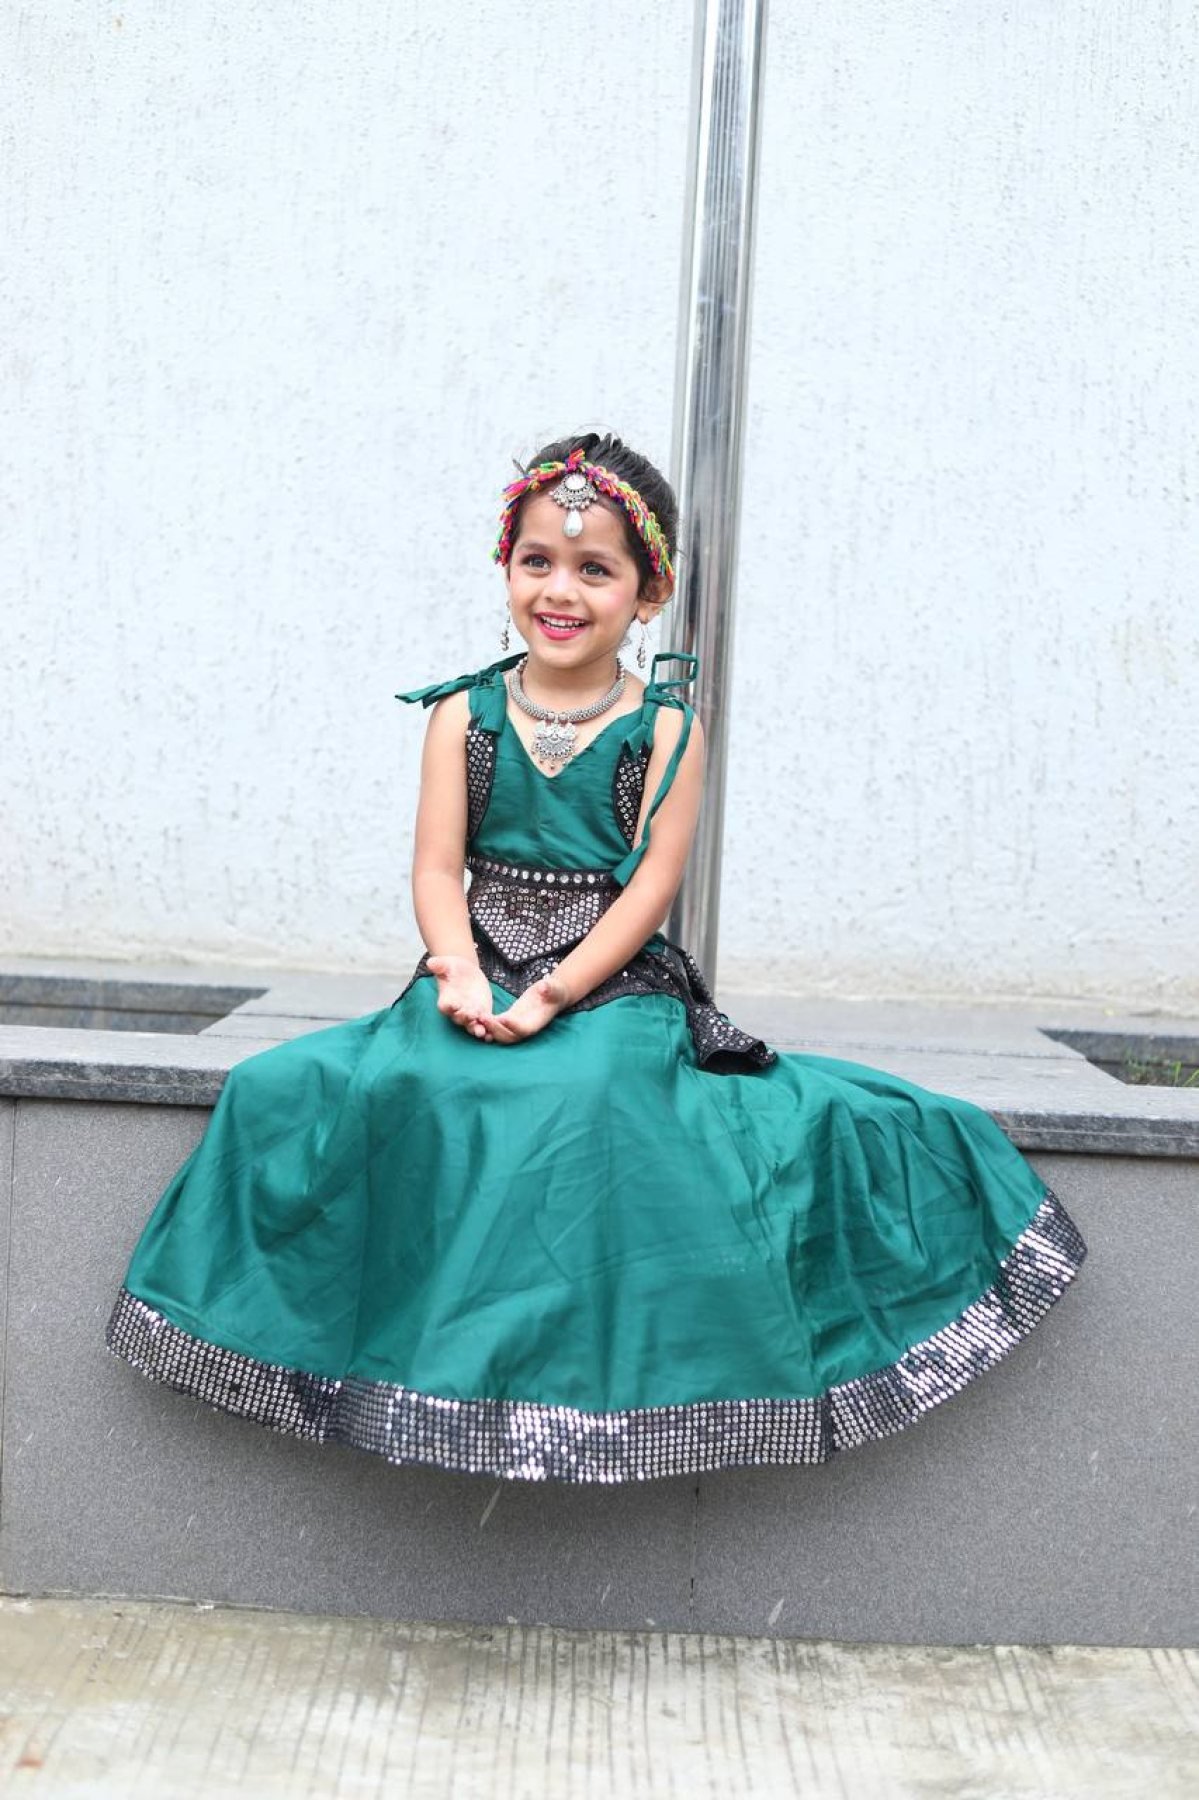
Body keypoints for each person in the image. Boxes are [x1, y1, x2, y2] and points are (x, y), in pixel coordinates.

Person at [107, 431, 1087, 1482]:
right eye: (537, 560)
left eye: (593, 568)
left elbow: (649, 892)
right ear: (506, 568)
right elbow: (437, 868)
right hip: (474, 963)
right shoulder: (462, 716)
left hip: (611, 984)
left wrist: (553, 995)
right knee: (372, 1085)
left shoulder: (663, 729)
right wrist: (459, 971)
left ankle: (560, 1396)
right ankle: (405, 1379)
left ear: (647, 591)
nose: (559, 590)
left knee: (583, 1097)